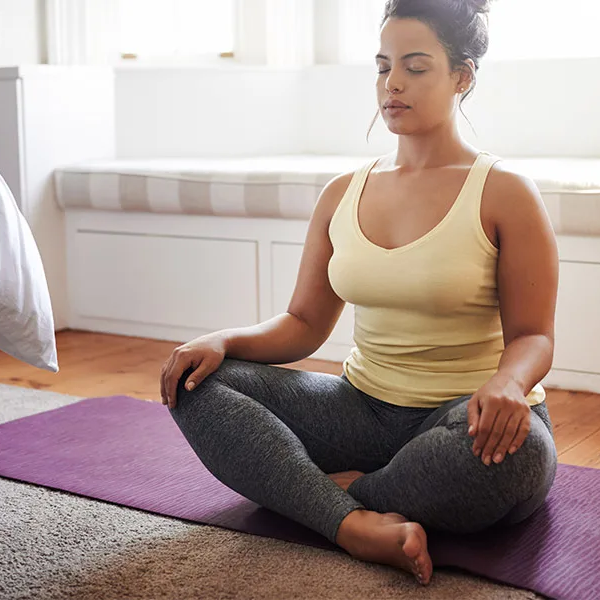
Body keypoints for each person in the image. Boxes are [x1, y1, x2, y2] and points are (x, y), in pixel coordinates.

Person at [159, 0, 559, 585]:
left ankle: (326, 493)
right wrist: (221, 340)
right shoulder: (342, 192)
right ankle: (354, 524)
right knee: (197, 385)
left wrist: (508, 382)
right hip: (363, 410)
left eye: (416, 67)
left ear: (463, 76)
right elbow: (302, 322)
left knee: (518, 458)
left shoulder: (504, 192)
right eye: (382, 66)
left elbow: (534, 336)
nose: (392, 83)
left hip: (466, 420)